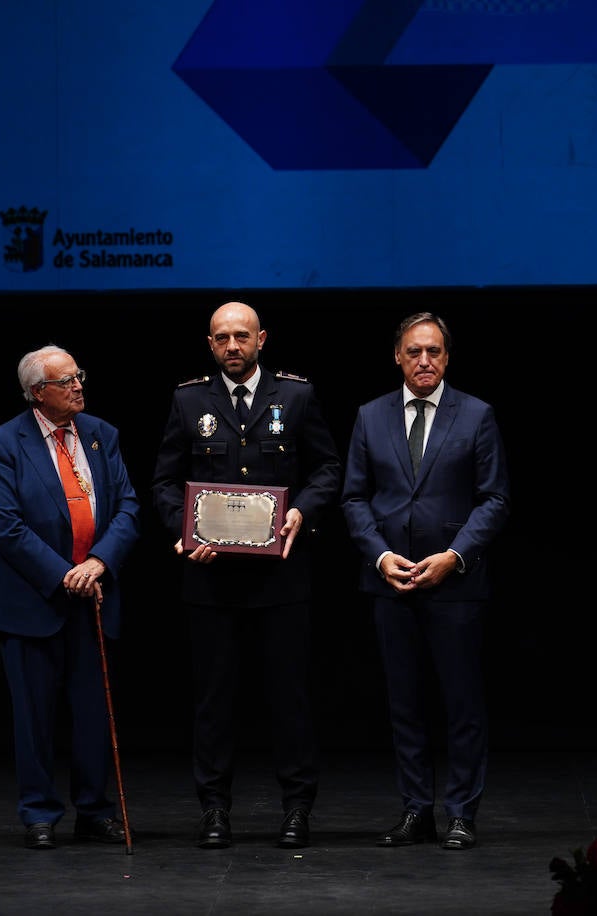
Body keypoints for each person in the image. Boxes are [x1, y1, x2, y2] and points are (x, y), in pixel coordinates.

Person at [151, 300, 343, 850]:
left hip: (282, 581)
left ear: (263, 339)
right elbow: (165, 481)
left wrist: (302, 511)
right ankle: (214, 810)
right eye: (220, 339)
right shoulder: (188, 400)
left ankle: (297, 809)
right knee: (214, 701)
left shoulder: (297, 395)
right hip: (210, 583)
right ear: (209, 345)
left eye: (241, 336)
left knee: (290, 698)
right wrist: (183, 531)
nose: (231, 346)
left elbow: (328, 467)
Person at [340, 312, 511, 851]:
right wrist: (379, 555)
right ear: (397, 355)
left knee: (461, 704)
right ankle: (417, 810)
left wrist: (455, 555)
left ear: (447, 356)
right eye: (414, 351)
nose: (424, 361)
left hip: (455, 585)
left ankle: (461, 812)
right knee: (404, 704)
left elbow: (495, 498)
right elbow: (353, 497)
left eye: (434, 351)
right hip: (392, 584)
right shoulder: (370, 417)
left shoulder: (477, 415)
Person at [0, 345, 141, 850]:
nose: (78, 387)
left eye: (79, 377)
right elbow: (6, 527)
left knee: (93, 714)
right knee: (34, 717)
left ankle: (94, 813)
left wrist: (97, 564)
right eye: (66, 380)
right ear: (37, 393)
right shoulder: (3, 443)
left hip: (92, 595)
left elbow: (128, 507)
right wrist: (64, 575)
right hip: (33, 601)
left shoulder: (101, 435)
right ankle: (39, 814)